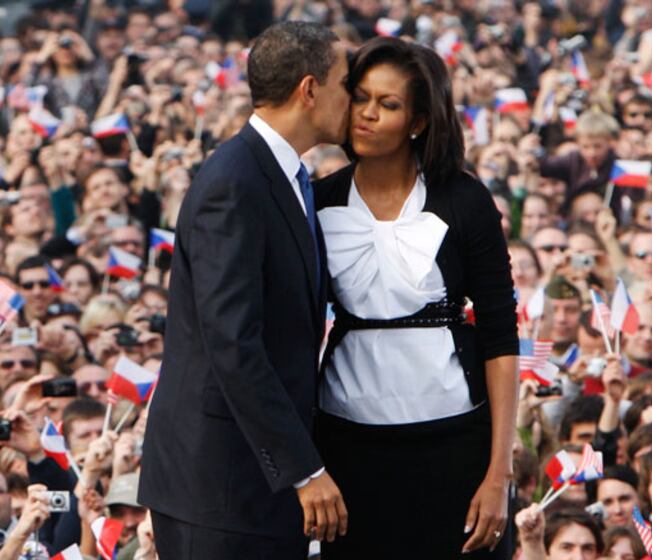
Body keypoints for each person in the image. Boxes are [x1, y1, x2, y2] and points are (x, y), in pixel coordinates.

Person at [138, 22, 350, 559]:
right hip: (219, 486)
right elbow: (233, 342)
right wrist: (304, 469)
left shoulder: (280, 176)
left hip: (249, 487)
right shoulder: (236, 182)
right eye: (345, 85)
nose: (353, 100)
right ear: (309, 89)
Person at [314, 37, 518, 558]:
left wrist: (499, 473)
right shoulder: (317, 199)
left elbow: (500, 336)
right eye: (360, 98)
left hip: (455, 442)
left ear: (419, 122)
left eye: (388, 104)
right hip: (346, 445)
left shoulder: (465, 199)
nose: (367, 114)